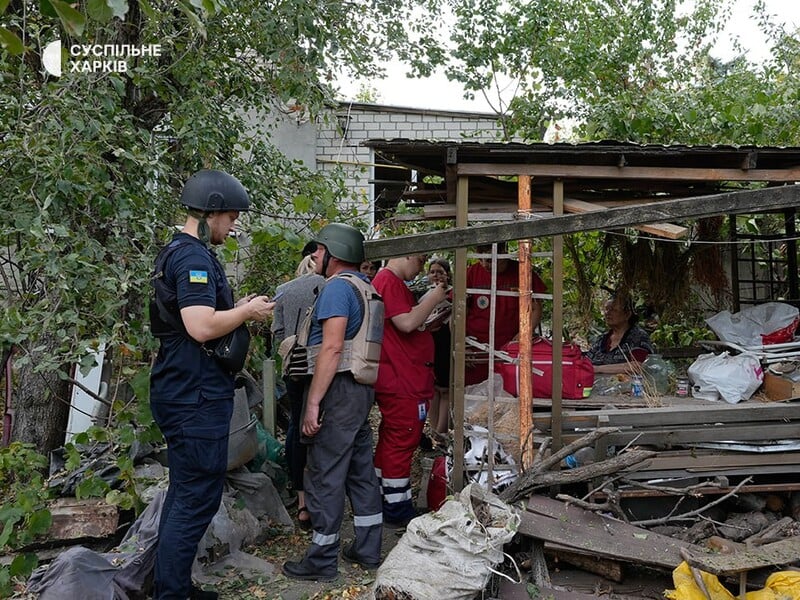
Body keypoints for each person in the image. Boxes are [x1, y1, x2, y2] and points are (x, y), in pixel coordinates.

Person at [149, 169, 275, 600]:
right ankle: (171, 595)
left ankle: (173, 586)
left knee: (186, 495)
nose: (234, 225)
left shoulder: (181, 252)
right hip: (194, 395)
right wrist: (247, 313)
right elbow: (201, 326)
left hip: (185, 389)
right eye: (231, 217)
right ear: (212, 211)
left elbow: (192, 317)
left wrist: (235, 307)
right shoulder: (193, 259)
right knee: (194, 499)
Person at [282, 223, 384, 581]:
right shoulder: (366, 287)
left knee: (325, 470)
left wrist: (313, 403)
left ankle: (321, 559)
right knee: (360, 470)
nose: (315, 256)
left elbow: (332, 346)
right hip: (359, 392)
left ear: (335, 255)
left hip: (337, 391)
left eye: (320, 250)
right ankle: (368, 547)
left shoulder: (337, 289)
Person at [372, 254, 448, 526]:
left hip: (402, 377)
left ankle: (382, 496)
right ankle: (396, 508)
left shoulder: (389, 282)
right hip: (402, 380)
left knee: (391, 441)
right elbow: (405, 322)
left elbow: (407, 323)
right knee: (401, 443)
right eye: (420, 261)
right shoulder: (389, 281)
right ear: (407, 255)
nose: (421, 267)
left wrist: (428, 322)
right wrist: (434, 298)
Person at [271, 254, 325, 531]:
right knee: (319, 427)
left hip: (293, 367)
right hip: (320, 366)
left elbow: (278, 332)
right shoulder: (328, 286)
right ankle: (321, 497)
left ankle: (301, 498)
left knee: (295, 426)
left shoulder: (284, 291)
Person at [465, 242, 546, 385]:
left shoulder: (522, 272)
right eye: (481, 260)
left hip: (511, 351)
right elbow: (457, 311)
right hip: (476, 352)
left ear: (503, 252)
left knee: (510, 394)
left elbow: (536, 308)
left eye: (490, 260)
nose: (485, 265)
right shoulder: (471, 273)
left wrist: (523, 335)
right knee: (475, 399)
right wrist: (462, 345)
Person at [586, 293, 655, 374]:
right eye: (606, 309)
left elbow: (638, 366)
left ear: (627, 314)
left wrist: (597, 369)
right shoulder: (601, 339)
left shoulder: (638, 336)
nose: (608, 313)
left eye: (613, 310)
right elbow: (586, 363)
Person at [426, 258, 452, 435]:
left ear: (448, 275)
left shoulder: (453, 294)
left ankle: (441, 432)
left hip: (446, 343)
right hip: (428, 344)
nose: (436, 275)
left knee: (444, 389)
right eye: (432, 272)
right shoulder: (423, 294)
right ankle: (433, 430)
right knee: (432, 389)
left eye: (440, 272)